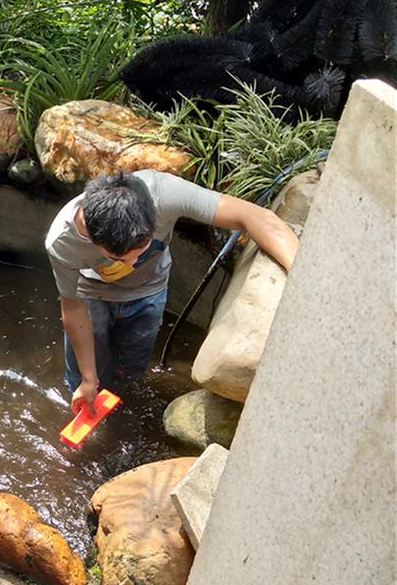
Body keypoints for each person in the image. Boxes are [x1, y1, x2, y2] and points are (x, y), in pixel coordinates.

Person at [45, 170, 299, 414]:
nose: (132, 265)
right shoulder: (63, 242)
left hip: (149, 291)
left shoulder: (165, 193)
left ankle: (119, 407)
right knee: (82, 378)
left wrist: (300, 276)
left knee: (130, 372)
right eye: (118, 258)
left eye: (139, 252)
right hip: (91, 294)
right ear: (92, 237)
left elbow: (256, 217)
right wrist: (89, 379)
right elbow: (72, 306)